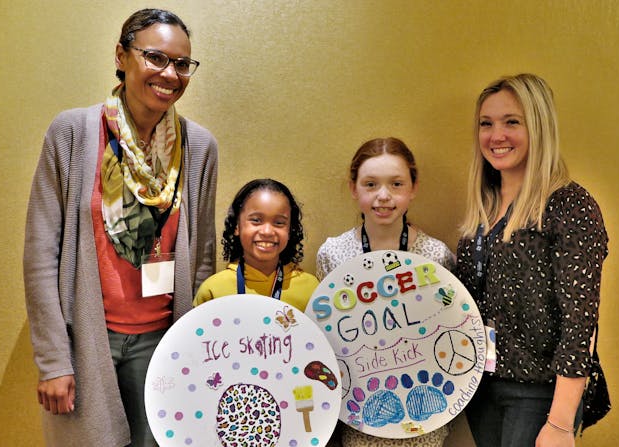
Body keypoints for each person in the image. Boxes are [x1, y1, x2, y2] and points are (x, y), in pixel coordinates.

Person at [23, 9, 218, 446]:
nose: (170, 73)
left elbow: (202, 256)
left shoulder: (199, 146)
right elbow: (40, 253)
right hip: (88, 339)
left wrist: (198, 345)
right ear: (121, 55)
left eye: (182, 64)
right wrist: (53, 359)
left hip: (164, 339)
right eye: (155, 57)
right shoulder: (72, 132)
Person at [454, 73, 608, 447]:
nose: (496, 136)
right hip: (483, 389)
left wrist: (559, 423)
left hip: (539, 394)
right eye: (486, 124)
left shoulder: (568, 206)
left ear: (539, 127)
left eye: (512, 122)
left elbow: (580, 323)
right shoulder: (483, 211)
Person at [316, 137, 455, 447]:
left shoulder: (435, 256)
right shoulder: (333, 254)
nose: (383, 196)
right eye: (370, 184)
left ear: (413, 187)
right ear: (353, 188)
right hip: (360, 414)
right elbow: (327, 333)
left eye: (396, 184)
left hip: (425, 417)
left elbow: (451, 325)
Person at [194, 178, 319, 312]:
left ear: (290, 230)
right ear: (237, 226)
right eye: (256, 220)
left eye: (279, 222)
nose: (267, 231)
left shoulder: (312, 290)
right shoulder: (213, 290)